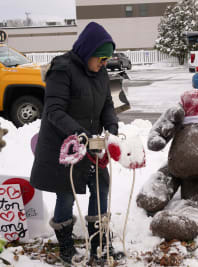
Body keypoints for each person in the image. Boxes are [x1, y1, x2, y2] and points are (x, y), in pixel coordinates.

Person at [30, 22, 123, 264]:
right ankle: (66, 246)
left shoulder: (101, 73)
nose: (104, 64)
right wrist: (79, 133)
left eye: (107, 59)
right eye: (101, 58)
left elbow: (107, 106)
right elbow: (54, 110)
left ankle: (99, 244)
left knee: (101, 189)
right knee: (67, 196)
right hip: (65, 145)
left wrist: (111, 129)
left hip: (92, 145)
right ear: (87, 51)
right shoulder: (62, 69)